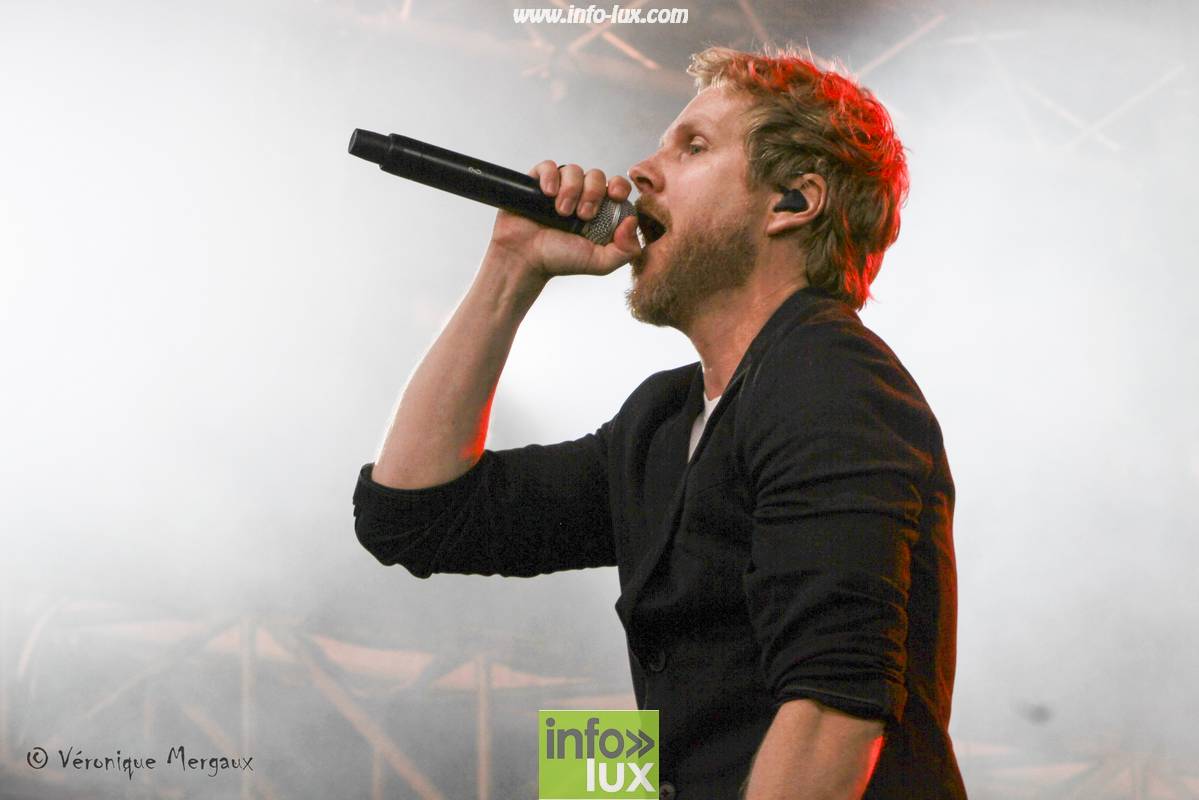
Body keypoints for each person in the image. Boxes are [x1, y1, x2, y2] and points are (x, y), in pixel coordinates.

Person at [352, 46, 966, 799]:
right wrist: (511, 266)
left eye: (693, 147)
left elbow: (832, 713)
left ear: (792, 202)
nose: (640, 171)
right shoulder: (663, 421)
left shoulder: (832, 380)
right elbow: (412, 516)